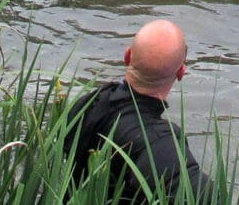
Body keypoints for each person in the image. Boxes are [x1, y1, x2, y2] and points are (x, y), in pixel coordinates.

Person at [64, 20, 213, 203]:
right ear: (181, 73)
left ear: (127, 56)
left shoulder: (86, 104)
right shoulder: (159, 141)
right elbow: (210, 197)